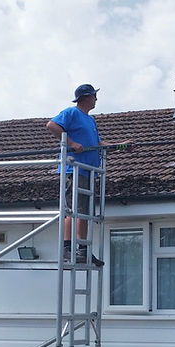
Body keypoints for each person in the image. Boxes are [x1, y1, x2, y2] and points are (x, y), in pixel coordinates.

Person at [46, 84, 126, 265]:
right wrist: (72, 143)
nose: (96, 99)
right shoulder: (72, 113)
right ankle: (67, 249)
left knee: (85, 212)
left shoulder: (90, 120)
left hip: (89, 170)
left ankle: (83, 250)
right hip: (74, 169)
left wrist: (120, 146)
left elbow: (99, 144)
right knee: (72, 210)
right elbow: (52, 125)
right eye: (94, 96)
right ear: (85, 97)